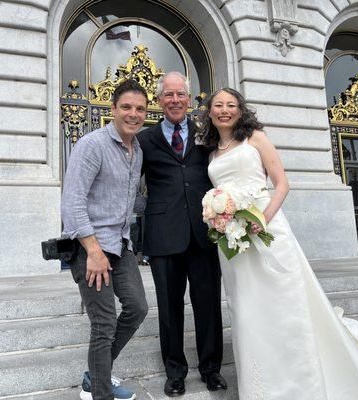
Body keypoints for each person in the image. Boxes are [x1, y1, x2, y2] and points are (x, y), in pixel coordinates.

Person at [200, 87, 358, 400]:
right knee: (247, 309)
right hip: (233, 241)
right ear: (209, 111)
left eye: (231, 105)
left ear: (240, 109)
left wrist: (261, 218)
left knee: (282, 303)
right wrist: (220, 217)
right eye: (218, 105)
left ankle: (299, 383)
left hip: (267, 230)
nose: (225, 110)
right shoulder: (211, 152)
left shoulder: (255, 138)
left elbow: (282, 183)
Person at [137, 72, 227, 397]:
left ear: (189, 99)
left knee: (208, 305)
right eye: (168, 95)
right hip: (164, 235)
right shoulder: (145, 139)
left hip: (204, 233)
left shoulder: (207, 134)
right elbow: (131, 182)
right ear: (159, 100)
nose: (174, 100)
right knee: (169, 309)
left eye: (180, 95)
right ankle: (174, 372)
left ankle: (211, 369)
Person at [61, 79, 149, 400]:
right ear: (112, 109)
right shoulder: (92, 145)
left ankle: (95, 375)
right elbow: (72, 202)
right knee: (104, 323)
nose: (133, 113)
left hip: (120, 245)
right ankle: (100, 394)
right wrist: (93, 251)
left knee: (138, 308)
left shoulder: (136, 151)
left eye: (140, 108)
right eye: (126, 107)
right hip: (89, 247)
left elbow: (126, 200)